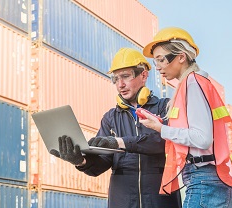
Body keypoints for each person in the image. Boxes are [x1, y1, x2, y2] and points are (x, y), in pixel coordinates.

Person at [139, 27, 232, 208]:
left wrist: (161, 129)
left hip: (205, 183)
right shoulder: (197, 83)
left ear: (181, 57)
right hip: (217, 182)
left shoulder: (193, 83)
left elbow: (202, 139)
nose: (157, 67)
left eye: (161, 60)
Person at [50, 48, 182, 208]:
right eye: (115, 79)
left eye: (126, 76)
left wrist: (119, 142)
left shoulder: (164, 107)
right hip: (122, 201)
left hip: (161, 200)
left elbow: (164, 141)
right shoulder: (110, 118)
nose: (120, 84)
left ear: (144, 75)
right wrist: (81, 161)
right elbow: (102, 163)